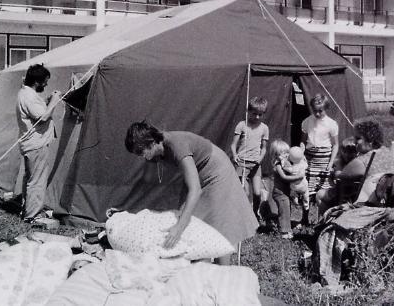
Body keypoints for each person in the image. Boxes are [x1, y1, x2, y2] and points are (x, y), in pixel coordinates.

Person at [124, 122, 259, 265]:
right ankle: (202, 266)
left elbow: (195, 190)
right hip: (199, 172)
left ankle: (224, 270)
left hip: (216, 170)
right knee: (193, 220)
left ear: (151, 142)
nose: (141, 156)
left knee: (219, 225)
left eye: (141, 152)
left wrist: (179, 228)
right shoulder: (156, 152)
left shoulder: (176, 145)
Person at [16, 64, 63, 223]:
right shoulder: (29, 96)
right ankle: (33, 216)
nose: (46, 84)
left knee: (31, 179)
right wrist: (54, 101)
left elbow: (38, 111)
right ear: (37, 82)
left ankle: (27, 209)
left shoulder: (26, 93)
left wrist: (48, 101)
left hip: (31, 144)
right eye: (45, 81)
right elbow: (42, 117)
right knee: (37, 181)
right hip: (36, 144)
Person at [317, 119, 393, 214]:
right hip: (381, 200)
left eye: (358, 138)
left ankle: (329, 221)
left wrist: (337, 169)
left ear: (370, 140)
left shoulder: (361, 161)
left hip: (362, 203)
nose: (355, 141)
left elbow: (341, 176)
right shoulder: (387, 152)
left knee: (320, 194)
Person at [230, 97, 269, 221]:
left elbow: (264, 148)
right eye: (254, 113)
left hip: (256, 165)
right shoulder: (242, 125)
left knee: (257, 193)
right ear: (248, 111)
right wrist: (235, 155)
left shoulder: (264, 128)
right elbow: (233, 145)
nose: (257, 117)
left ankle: (254, 214)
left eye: (260, 114)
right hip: (242, 163)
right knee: (245, 192)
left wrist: (260, 159)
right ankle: (241, 216)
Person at [301, 94, 340, 198]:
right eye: (315, 111)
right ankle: (309, 202)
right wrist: (301, 154)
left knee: (324, 187)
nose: (317, 113)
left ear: (326, 108)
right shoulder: (307, 122)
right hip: (310, 158)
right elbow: (303, 142)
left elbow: (335, 145)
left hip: (324, 159)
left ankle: (322, 202)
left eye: (320, 111)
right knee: (309, 186)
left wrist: (331, 162)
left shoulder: (331, 124)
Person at [266, 139, 306, 238]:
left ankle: (287, 229)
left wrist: (301, 152)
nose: (286, 155)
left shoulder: (286, 163)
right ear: (276, 155)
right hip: (280, 193)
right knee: (284, 211)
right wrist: (298, 177)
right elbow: (284, 177)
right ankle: (284, 232)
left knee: (287, 210)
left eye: (287, 152)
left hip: (285, 192)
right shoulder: (278, 165)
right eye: (283, 153)